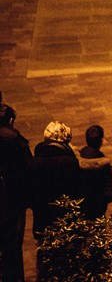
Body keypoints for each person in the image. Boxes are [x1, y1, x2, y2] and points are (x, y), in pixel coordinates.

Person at [28, 121, 80, 239]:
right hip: (65, 219)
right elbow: (77, 190)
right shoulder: (70, 163)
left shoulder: (33, 163)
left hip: (41, 219)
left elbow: (29, 193)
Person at [0, 102, 32, 282]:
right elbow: (26, 170)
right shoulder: (14, 140)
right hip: (12, 200)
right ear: (10, 120)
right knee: (12, 245)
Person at [74, 124, 112, 219]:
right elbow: (109, 192)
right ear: (100, 141)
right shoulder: (103, 162)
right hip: (97, 208)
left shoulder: (77, 157)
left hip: (80, 207)